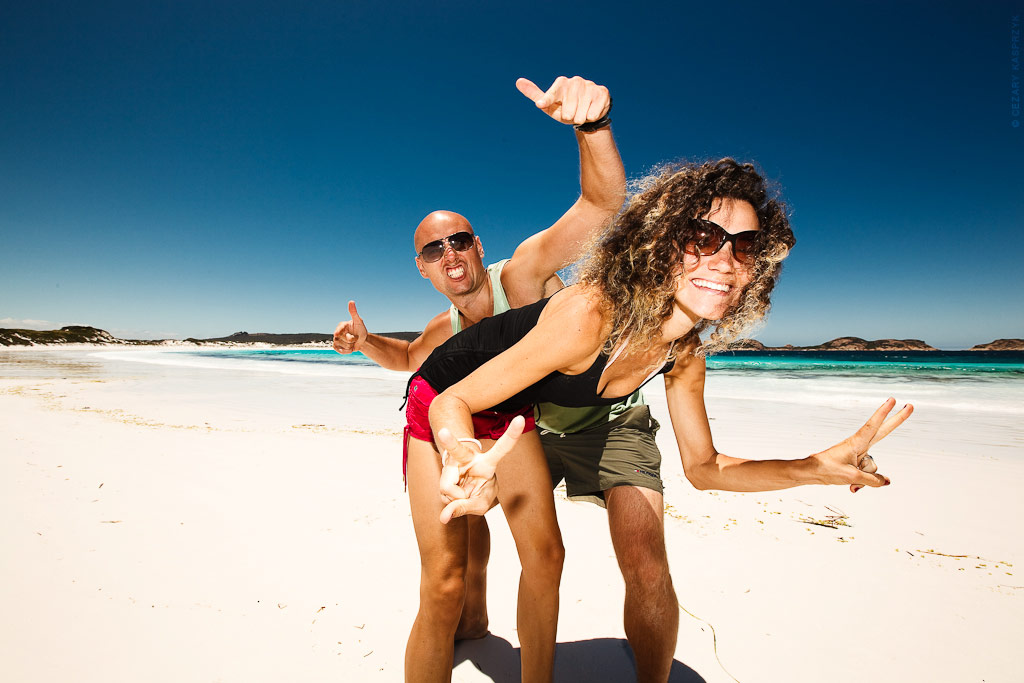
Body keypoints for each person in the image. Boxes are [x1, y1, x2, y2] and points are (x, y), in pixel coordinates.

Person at [411, 158, 914, 683]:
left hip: (517, 411)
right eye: (702, 238)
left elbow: (706, 468)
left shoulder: (684, 352)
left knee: (555, 560)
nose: (724, 261)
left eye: (744, 246)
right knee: (453, 576)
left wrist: (812, 467)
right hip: (446, 396)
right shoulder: (589, 314)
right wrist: (459, 447)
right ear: (659, 240)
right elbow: (454, 401)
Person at [334, 74, 627, 682]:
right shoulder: (446, 328)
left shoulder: (521, 275)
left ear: (478, 245)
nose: (451, 254)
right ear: (423, 270)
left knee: (546, 558)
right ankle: (466, 622)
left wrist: (591, 128)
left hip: (511, 424)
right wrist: (366, 345)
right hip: (441, 414)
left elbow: (599, 208)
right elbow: (411, 358)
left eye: (460, 240)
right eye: (434, 250)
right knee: (444, 583)